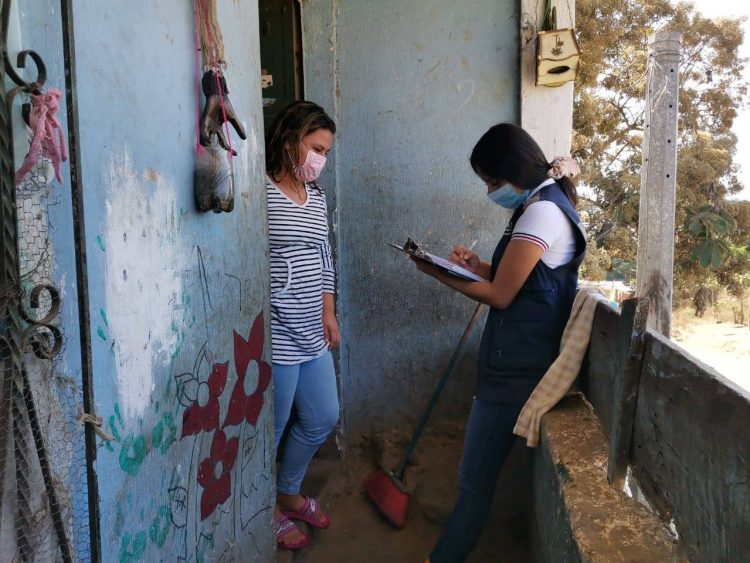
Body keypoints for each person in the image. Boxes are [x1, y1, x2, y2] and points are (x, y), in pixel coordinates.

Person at [412, 123, 587, 562]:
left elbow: (502, 295)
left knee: (473, 483)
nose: (490, 191)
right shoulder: (540, 205)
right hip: (516, 360)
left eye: (492, 181)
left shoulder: (542, 213)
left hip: (517, 370)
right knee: (474, 481)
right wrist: (477, 266)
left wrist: (438, 272)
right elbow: (518, 279)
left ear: (514, 171)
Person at [265, 101, 340, 550]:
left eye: (326, 152)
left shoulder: (317, 197)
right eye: (316, 148)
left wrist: (329, 311)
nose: (320, 159)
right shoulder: (263, 191)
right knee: (270, 430)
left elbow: (324, 254)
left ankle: (288, 493)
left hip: (312, 328)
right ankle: (265, 510)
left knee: (322, 416)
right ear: (291, 139)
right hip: (276, 333)